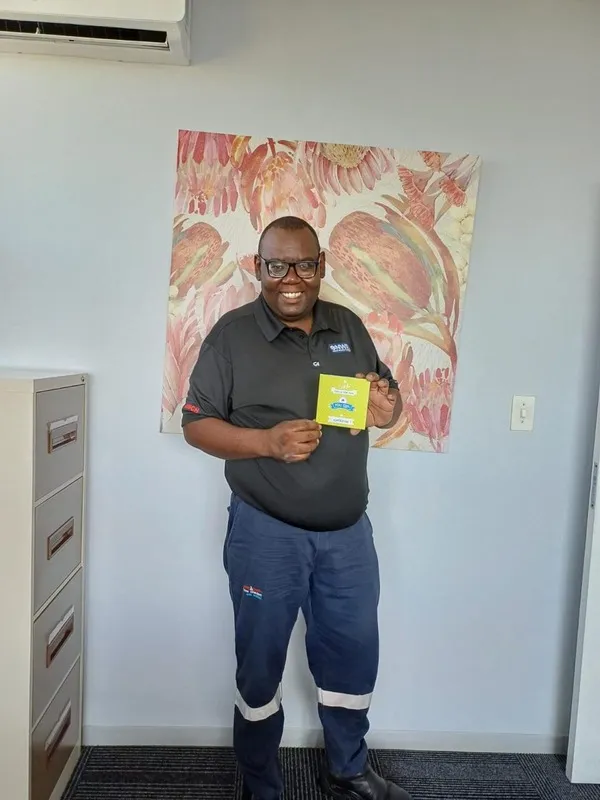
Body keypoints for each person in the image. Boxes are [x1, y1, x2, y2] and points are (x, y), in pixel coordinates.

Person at [182, 216, 412, 800]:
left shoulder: (347, 325)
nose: (291, 278)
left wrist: (388, 409)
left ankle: (348, 770)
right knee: (260, 664)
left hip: (348, 535)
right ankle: (261, 783)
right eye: (277, 265)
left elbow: (385, 399)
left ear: (321, 265)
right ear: (257, 268)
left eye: (304, 264)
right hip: (266, 534)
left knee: (353, 655)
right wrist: (266, 442)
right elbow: (196, 425)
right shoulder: (231, 336)